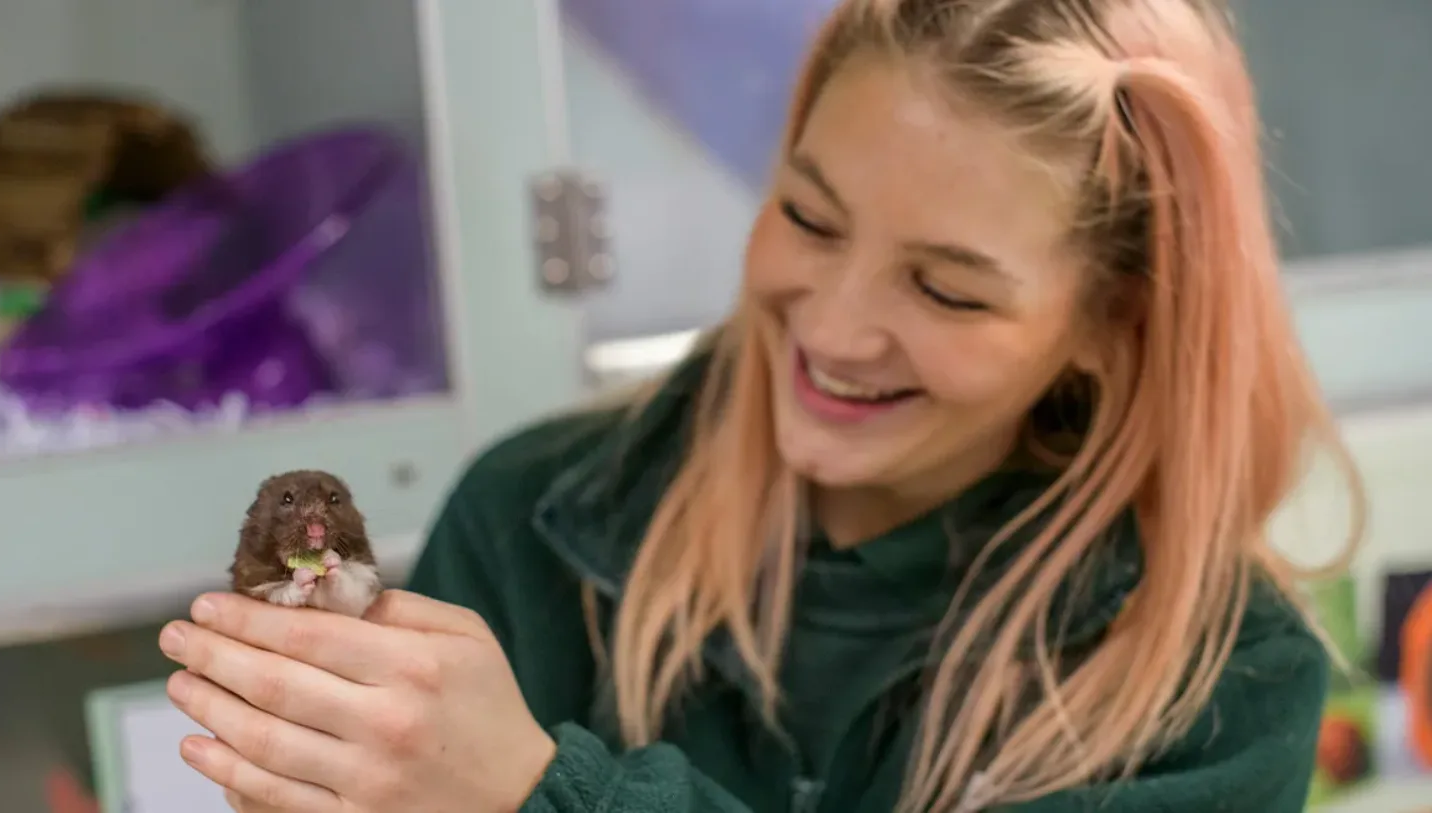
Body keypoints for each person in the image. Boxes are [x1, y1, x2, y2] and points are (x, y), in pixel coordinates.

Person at [156, 0, 1365, 810]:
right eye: (808, 217)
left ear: (1112, 325)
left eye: (945, 289)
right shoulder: (528, 520)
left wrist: (541, 794)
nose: (832, 330)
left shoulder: (1222, 680)